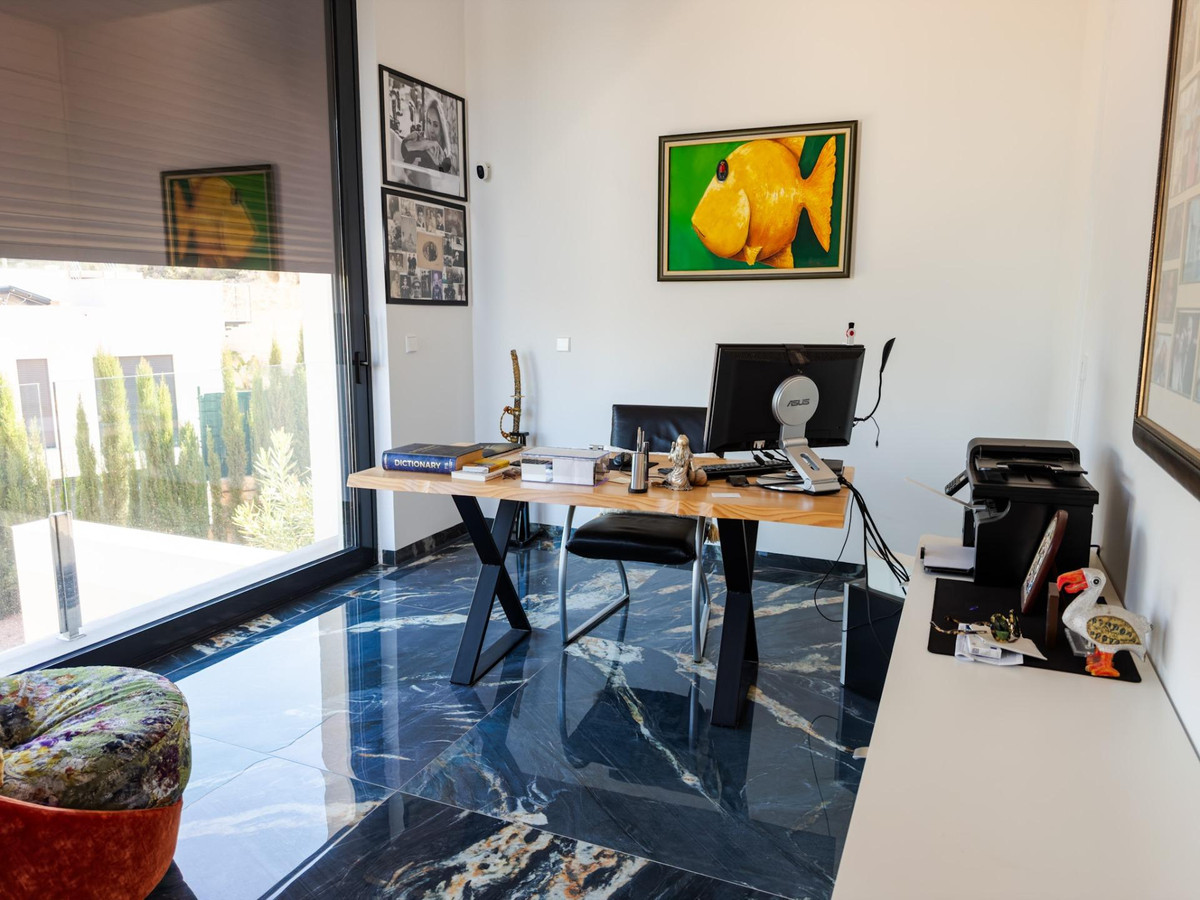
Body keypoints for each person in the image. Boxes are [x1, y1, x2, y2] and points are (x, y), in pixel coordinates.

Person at [402, 98, 453, 173]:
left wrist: (437, 163)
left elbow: (441, 177)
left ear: (441, 129)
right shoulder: (418, 136)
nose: (431, 129)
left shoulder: (445, 156)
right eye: (429, 122)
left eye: (435, 125)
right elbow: (404, 147)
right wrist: (427, 144)